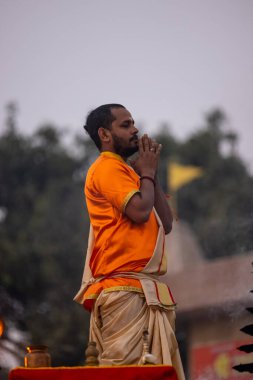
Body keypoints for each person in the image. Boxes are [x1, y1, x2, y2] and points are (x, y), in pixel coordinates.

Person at [74, 104, 185, 380]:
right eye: (125, 125)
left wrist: (150, 174)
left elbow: (167, 223)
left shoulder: (128, 172)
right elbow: (139, 211)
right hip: (123, 294)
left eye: (133, 123)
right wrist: (145, 173)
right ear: (105, 134)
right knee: (127, 375)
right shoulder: (106, 169)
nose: (135, 129)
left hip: (144, 292)